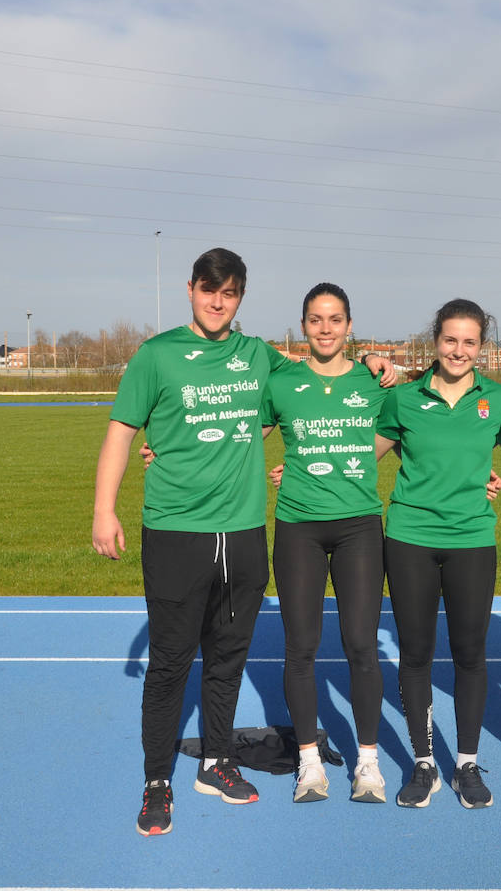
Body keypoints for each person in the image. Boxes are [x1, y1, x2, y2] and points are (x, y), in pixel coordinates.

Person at [91, 247, 294, 836]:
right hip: (177, 532)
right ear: (190, 289)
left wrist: (382, 365)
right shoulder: (155, 356)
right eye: (209, 290)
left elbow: (315, 385)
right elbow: (121, 434)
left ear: (241, 299)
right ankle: (157, 781)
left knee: (228, 658)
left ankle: (217, 761)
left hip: (245, 534)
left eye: (229, 293)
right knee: (171, 664)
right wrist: (104, 511)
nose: (217, 302)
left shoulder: (257, 356)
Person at [374, 298, 501, 809]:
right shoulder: (403, 399)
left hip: (472, 541)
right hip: (410, 537)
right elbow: (356, 452)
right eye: (450, 340)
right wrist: (300, 468)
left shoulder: (498, 401)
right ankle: (423, 764)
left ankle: (467, 765)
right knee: (415, 655)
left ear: (483, 347)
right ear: (435, 340)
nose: (459, 350)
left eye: (469, 341)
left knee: (469, 655)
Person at [259, 282, 391, 804]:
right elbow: (237, 434)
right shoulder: (283, 382)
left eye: (335, 319)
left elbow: (426, 430)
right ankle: (310, 763)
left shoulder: (376, 380)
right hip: (299, 526)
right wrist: (173, 450)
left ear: (350, 326)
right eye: (316, 319)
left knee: (362, 646)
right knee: (302, 648)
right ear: (303, 326)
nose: (326, 329)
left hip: (359, 525)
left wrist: (480, 482)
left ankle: (367, 763)